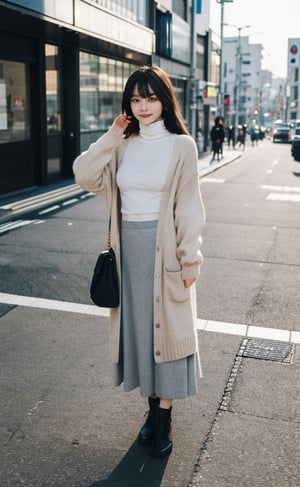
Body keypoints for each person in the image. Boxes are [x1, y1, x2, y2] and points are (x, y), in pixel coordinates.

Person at [73, 65, 205, 458]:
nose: (144, 106)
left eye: (150, 98)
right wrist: (113, 135)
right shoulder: (124, 144)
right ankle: (150, 413)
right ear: (127, 104)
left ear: (165, 100)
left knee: (168, 335)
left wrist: (189, 261)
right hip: (127, 251)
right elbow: (83, 173)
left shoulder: (182, 147)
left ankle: (163, 418)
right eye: (136, 99)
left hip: (165, 250)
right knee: (142, 335)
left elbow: (189, 207)